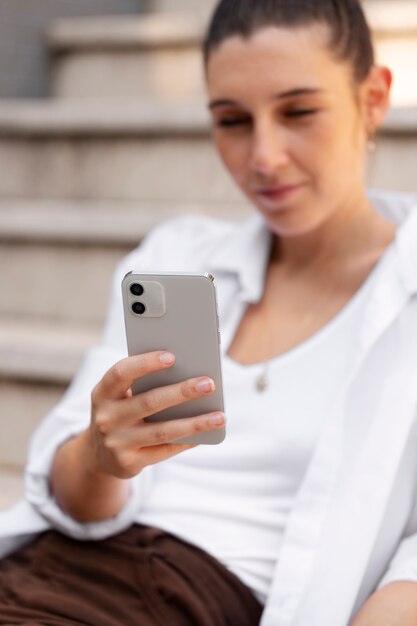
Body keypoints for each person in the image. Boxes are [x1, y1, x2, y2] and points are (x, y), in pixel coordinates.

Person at [1, 0, 417, 624]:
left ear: (373, 98)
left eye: (299, 111)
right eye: (232, 120)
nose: (265, 157)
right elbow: (70, 493)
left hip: (191, 600)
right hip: (47, 571)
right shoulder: (178, 255)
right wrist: (98, 455)